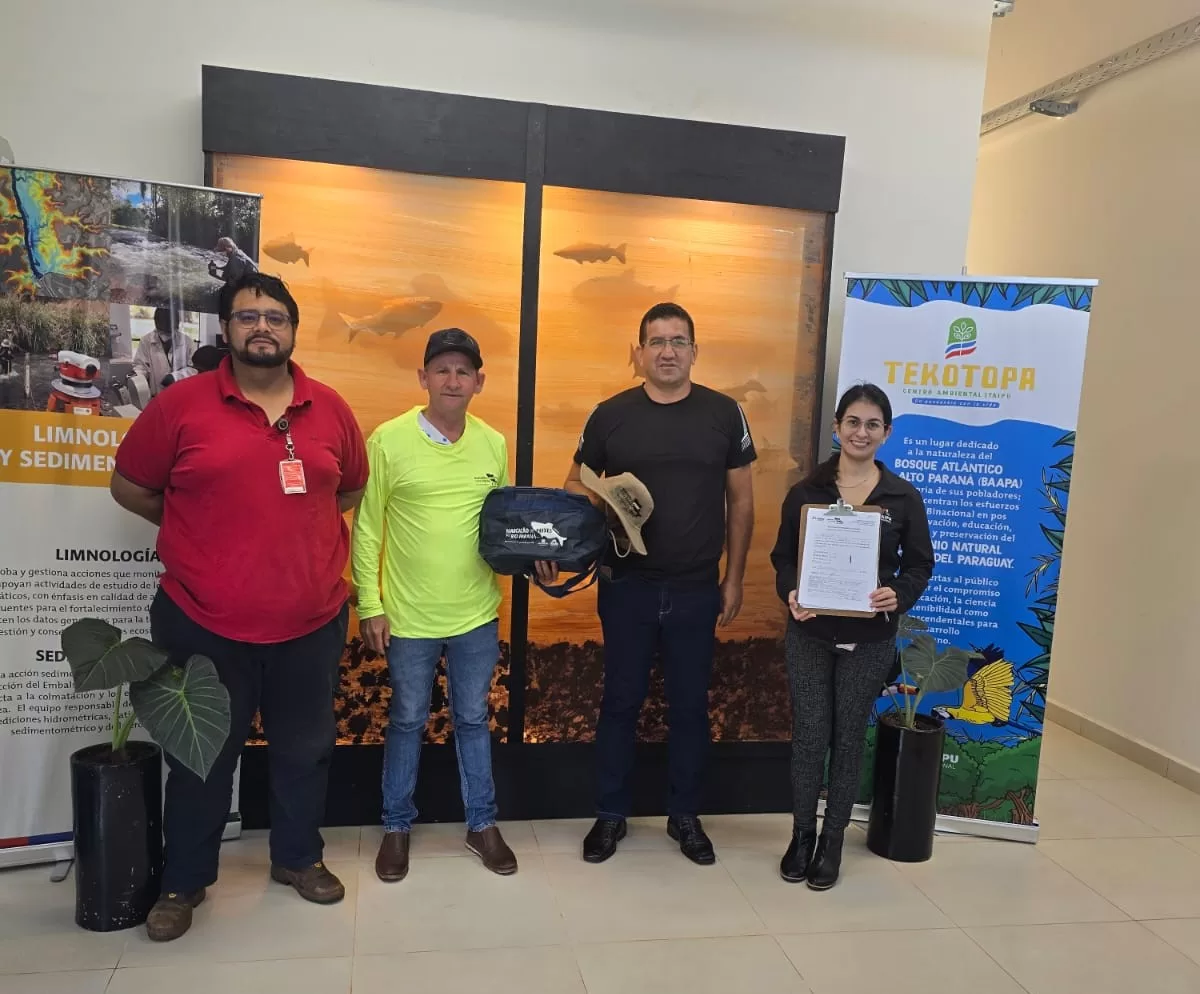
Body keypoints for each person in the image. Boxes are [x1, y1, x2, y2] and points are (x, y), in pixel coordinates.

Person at [109, 272, 368, 941]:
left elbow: (347, 491)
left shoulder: (330, 409)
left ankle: (298, 858)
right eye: (248, 316)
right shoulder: (181, 405)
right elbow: (130, 486)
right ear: (226, 329)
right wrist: (196, 528)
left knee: (305, 751)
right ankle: (184, 881)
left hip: (310, 622)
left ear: (292, 330)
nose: (262, 328)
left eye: (276, 317)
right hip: (202, 620)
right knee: (200, 757)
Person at [553, 301, 756, 866]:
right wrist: (607, 500)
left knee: (690, 707)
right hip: (627, 585)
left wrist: (734, 578)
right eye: (657, 342)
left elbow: (741, 501)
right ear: (638, 352)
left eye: (678, 341)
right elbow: (573, 484)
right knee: (620, 701)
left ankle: (684, 814)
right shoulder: (609, 415)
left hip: (696, 587)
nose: (668, 352)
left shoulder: (725, 413)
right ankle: (610, 813)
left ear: (694, 351)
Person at [352, 328, 524, 882]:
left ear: (479, 381)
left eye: (463, 371)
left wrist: (534, 556)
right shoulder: (388, 440)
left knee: (473, 718)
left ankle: (482, 824)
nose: (453, 380)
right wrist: (370, 604)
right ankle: (396, 825)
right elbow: (367, 528)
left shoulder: (493, 443)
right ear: (423, 378)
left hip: (476, 613)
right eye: (442, 370)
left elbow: (505, 524)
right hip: (408, 617)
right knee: (406, 720)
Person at [769, 383, 933, 890]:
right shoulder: (806, 492)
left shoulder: (903, 497)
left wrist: (897, 593)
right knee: (809, 735)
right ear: (837, 427)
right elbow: (782, 558)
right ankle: (801, 835)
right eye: (853, 422)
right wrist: (792, 591)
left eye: (873, 424)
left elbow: (920, 565)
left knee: (847, 738)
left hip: (870, 638)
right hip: (810, 633)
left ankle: (833, 839)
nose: (862, 432)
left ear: (887, 432)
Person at [132, 307, 196, 397]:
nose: (166, 335)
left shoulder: (187, 342)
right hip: (156, 396)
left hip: (180, 395)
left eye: (169, 332)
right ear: (156, 324)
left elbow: (194, 368)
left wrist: (176, 376)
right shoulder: (146, 341)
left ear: (177, 326)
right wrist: (137, 378)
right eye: (163, 331)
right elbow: (141, 366)